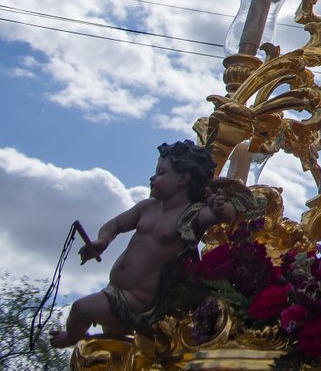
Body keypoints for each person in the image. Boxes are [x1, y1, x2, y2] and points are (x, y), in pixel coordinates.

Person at [52, 140, 237, 346]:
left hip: (138, 301)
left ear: (183, 178)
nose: (153, 177)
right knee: (117, 349)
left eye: (161, 172)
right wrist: (103, 240)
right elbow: (115, 224)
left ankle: (71, 337)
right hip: (113, 289)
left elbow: (224, 215)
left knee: (81, 309)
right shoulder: (147, 207)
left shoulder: (191, 215)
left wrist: (220, 208)